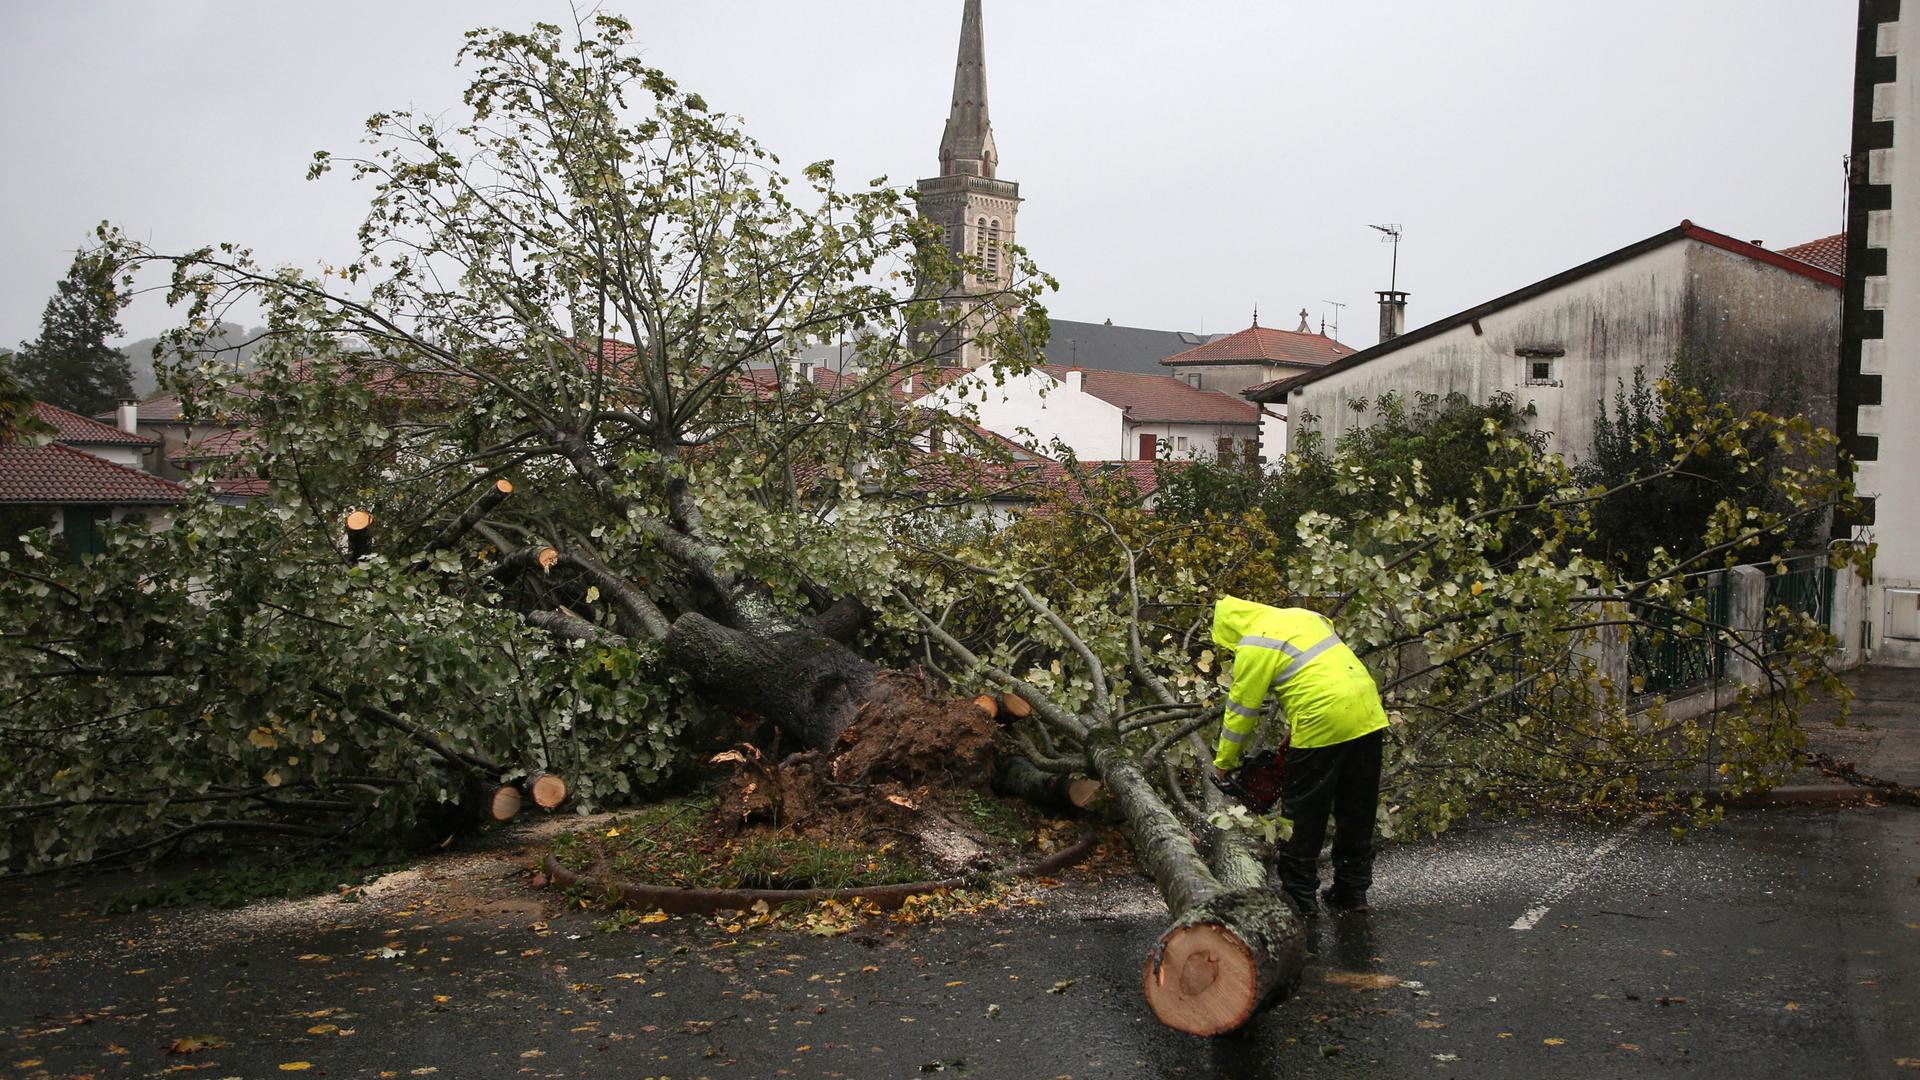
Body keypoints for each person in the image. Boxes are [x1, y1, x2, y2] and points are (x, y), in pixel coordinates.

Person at [1209, 594, 1388, 917]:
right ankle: (1353, 891)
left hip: (1322, 722)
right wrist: (1294, 728)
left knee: (1303, 814)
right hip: (1368, 711)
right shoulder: (1305, 617)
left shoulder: (1254, 643)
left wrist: (1224, 763)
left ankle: (1300, 898)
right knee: (1357, 808)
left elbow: (1241, 711)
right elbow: (1321, 670)